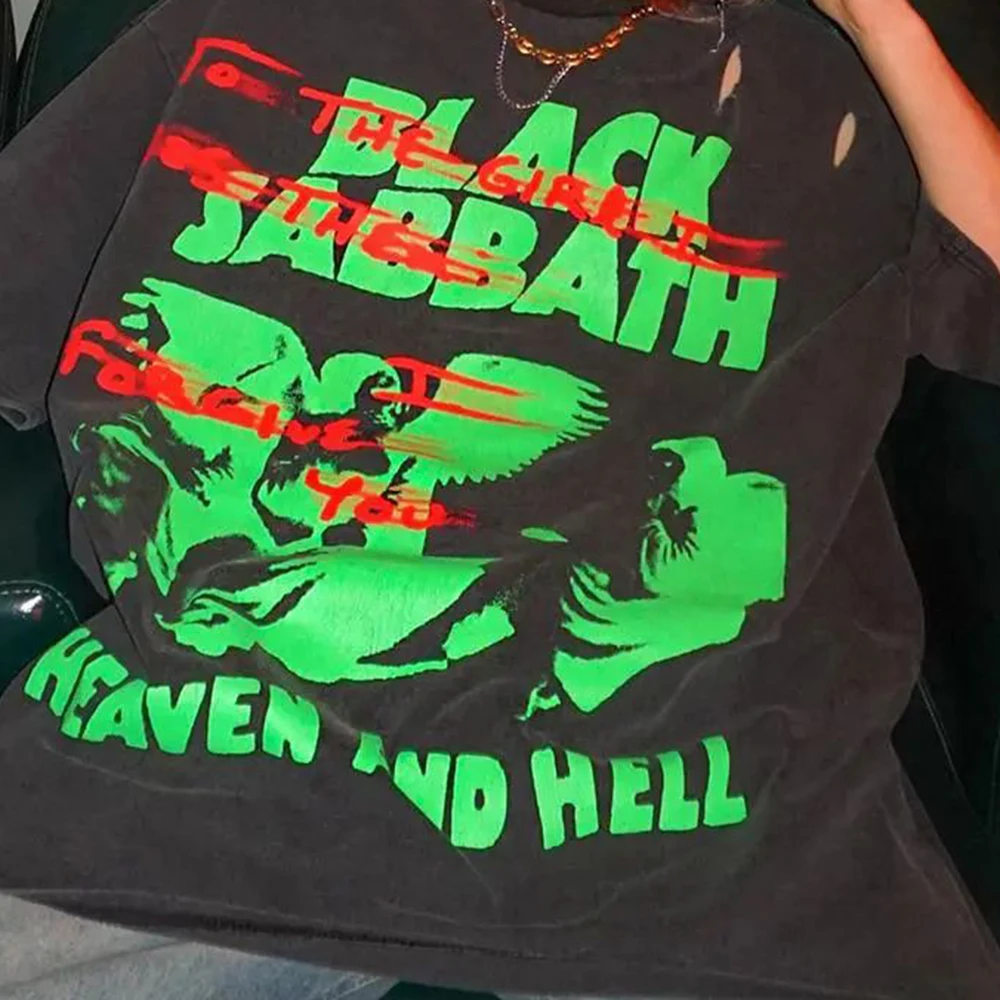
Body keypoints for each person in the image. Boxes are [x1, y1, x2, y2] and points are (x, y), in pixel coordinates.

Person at [0, 0, 998, 996]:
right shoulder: (244, 29)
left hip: (709, 883)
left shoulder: (821, 88)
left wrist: (887, 27)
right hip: (185, 825)